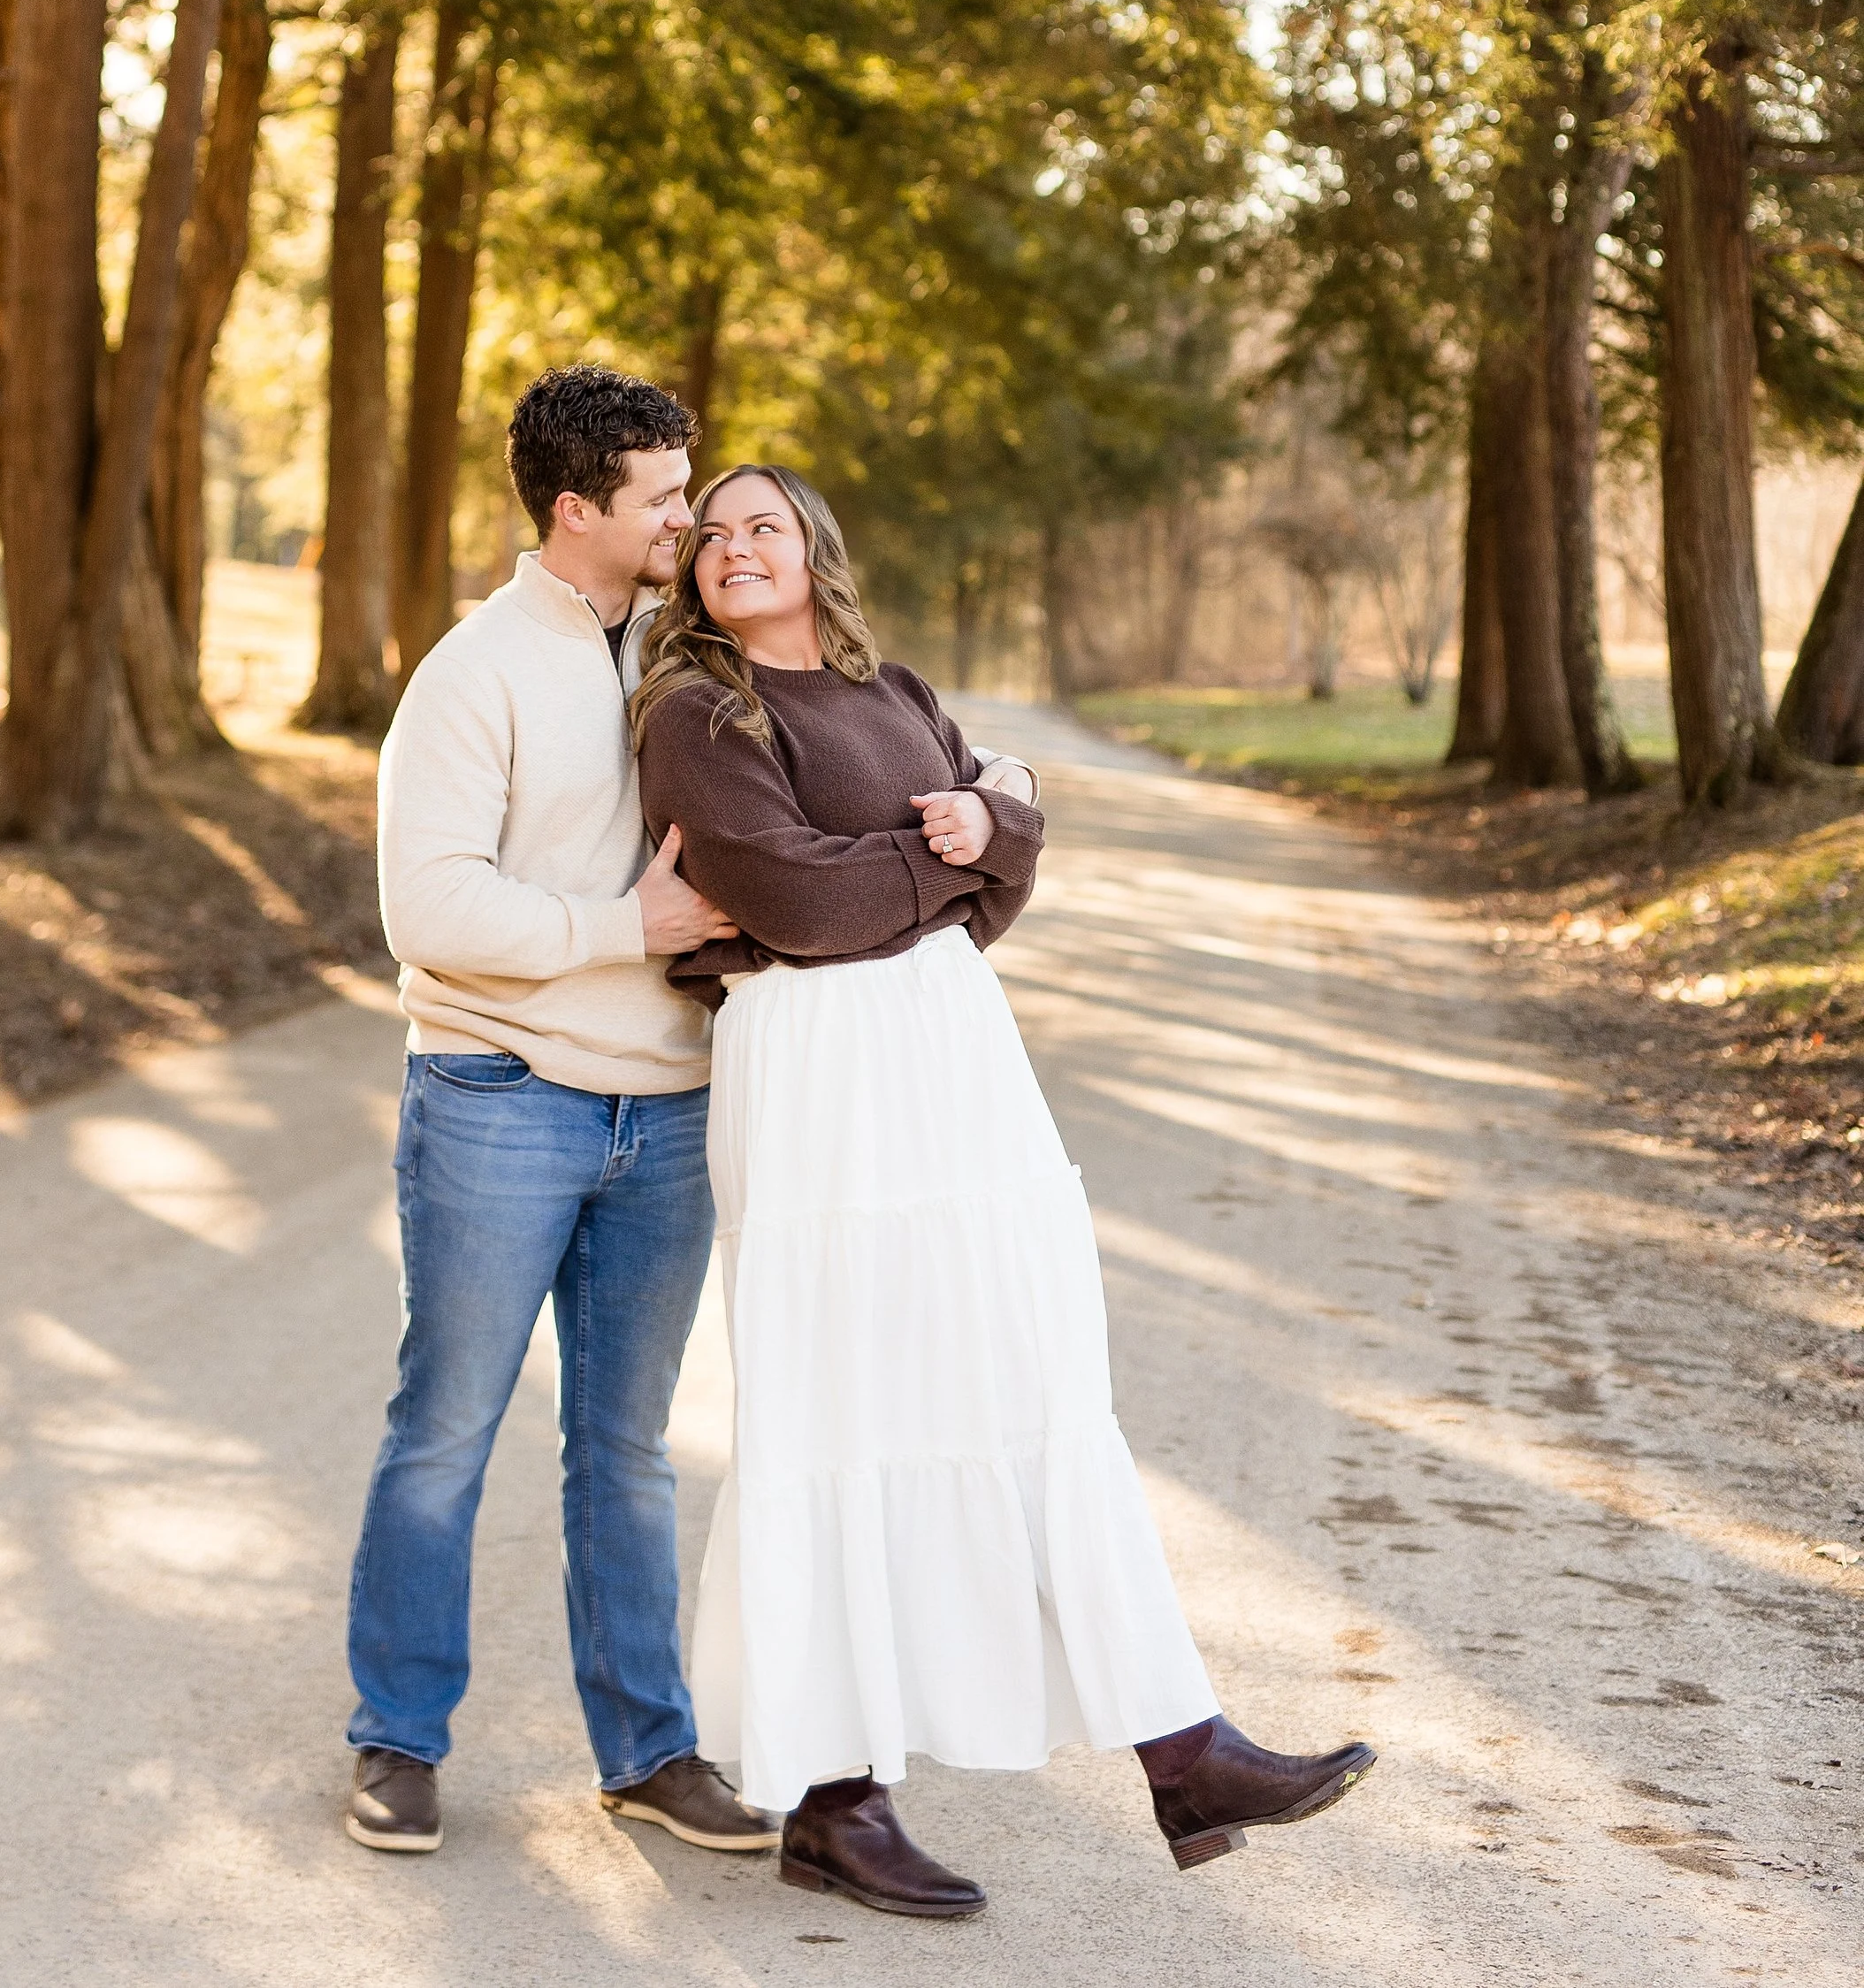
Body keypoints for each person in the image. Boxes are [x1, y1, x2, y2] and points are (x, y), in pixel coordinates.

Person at [631, 463, 1377, 1923]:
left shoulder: (891, 685)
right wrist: (953, 841)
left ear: (816, 549)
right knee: (843, 1412)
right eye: (710, 535)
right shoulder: (696, 712)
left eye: (761, 523)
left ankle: (1184, 1748)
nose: (733, 547)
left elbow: (1005, 872)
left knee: (1028, 1388)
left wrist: (995, 832)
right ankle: (836, 1800)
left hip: (956, 1065)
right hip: (821, 1076)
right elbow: (797, 905)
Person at [341, 365, 775, 1862]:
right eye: (663, 494)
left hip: (665, 1116)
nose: (690, 515)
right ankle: (396, 1740)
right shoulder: (471, 672)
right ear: (579, 508)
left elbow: (852, 729)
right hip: (495, 1098)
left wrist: (1001, 793)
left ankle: (647, 1749)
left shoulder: (684, 647)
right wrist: (625, 924)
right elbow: (428, 905)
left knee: (630, 1447)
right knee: (445, 1429)